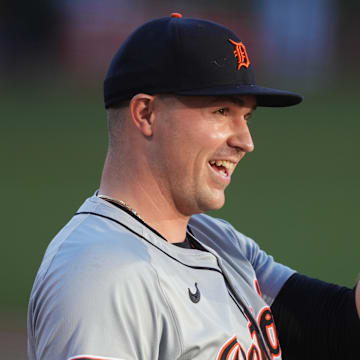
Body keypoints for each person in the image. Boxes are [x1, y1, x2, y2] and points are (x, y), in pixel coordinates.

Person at [27, 13, 360, 360]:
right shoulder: (100, 276)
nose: (246, 141)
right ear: (145, 114)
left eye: (246, 117)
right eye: (221, 111)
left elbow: (344, 328)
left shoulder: (222, 244)